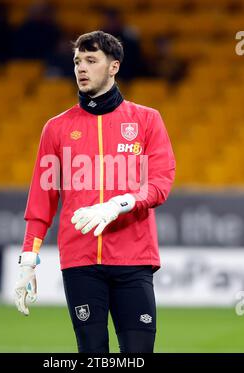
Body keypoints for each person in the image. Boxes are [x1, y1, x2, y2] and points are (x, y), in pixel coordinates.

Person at [15, 31, 176, 353]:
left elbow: (160, 183)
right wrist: (28, 261)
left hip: (134, 258)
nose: (81, 69)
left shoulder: (146, 120)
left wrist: (120, 203)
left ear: (114, 66)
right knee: (92, 353)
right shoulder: (56, 128)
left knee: (138, 353)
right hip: (80, 260)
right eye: (77, 61)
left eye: (91, 60)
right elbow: (41, 202)